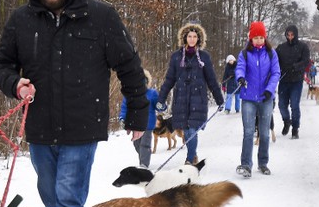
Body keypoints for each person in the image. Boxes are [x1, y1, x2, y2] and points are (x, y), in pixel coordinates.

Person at [0, 0, 148, 207]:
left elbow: (129, 67)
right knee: (52, 203)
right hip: (40, 129)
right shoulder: (22, 20)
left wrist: (137, 113)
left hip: (81, 128)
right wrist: (16, 84)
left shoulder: (101, 17)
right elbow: (0, 63)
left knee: (68, 204)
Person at [156, 23, 224, 165]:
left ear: (199, 39)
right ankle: (193, 155)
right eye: (189, 36)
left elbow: (211, 79)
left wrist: (219, 99)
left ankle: (189, 159)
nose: (192, 39)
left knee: (193, 129)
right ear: (184, 38)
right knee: (186, 131)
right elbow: (169, 79)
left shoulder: (204, 57)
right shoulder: (176, 57)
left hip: (198, 99)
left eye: (195, 36)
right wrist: (161, 99)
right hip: (180, 99)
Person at [235, 21, 281, 177]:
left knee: (265, 133)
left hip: (266, 98)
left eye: (261, 37)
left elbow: (276, 73)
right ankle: (245, 164)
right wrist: (240, 77)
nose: (259, 41)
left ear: (265, 38)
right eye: (256, 38)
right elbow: (240, 67)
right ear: (251, 39)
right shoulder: (245, 53)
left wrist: (270, 90)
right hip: (248, 97)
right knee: (248, 133)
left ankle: (263, 163)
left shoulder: (271, 53)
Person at [275, 25, 310, 138]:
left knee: (294, 105)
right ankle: (286, 121)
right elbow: (274, 60)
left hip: (296, 80)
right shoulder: (281, 47)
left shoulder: (303, 47)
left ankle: (295, 128)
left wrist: (296, 66)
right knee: (281, 105)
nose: (290, 37)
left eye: (292, 35)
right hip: (284, 80)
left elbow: (306, 61)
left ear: (295, 35)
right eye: (288, 35)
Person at [119, 70, 158, 168]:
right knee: (137, 145)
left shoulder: (152, 93)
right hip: (135, 124)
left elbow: (159, 105)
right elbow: (124, 107)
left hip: (148, 124)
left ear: (146, 81)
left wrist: (161, 106)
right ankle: (143, 159)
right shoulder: (130, 94)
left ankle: (144, 165)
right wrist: (122, 118)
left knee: (145, 145)